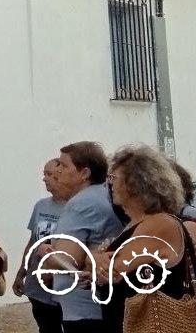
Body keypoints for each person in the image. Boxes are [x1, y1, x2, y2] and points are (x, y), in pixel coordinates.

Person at [87, 145, 196, 333]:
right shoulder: (139, 224)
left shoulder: (158, 224)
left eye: (113, 178)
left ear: (136, 183)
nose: (109, 185)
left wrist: (93, 259)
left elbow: (111, 270)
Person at [50, 141, 124, 333]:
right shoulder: (104, 195)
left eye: (64, 166)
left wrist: (49, 252)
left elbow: (66, 258)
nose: (57, 170)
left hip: (84, 309)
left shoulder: (82, 203)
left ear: (84, 173)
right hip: (104, 304)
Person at [13, 159, 67, 333]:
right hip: (38, 284)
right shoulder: (41, 205)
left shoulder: (75, 208)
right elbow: (32, 242)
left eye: (49, 174)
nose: (45, 179)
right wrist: (22, 272)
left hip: (62, 285)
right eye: (44, 174)